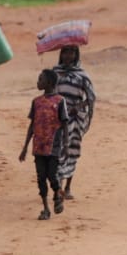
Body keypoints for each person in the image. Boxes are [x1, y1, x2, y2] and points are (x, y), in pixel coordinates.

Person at [17, 69, 65, 221]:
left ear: (49, 83)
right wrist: (25, 147)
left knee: (52, 175)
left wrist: (67, 143)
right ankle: (45, 208)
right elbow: (32, 125)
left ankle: (57, 193)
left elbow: (65, 124)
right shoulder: (36, 102)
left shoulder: (59, 101)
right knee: (40, 177)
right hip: (38, 147)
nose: (38, 82)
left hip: (53, 146)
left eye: (41, 79)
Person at [53, 45, 96, 202]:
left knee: (71, 151)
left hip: (75, 119)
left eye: (71, 52)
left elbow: (90, 98)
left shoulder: (82, 75)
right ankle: (58, 187)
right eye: (65, 52)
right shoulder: (55, 73)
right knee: (58, 152)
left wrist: (77, 107)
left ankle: (67, 187)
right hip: (58, 119)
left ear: (76, 54)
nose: (68, 55)